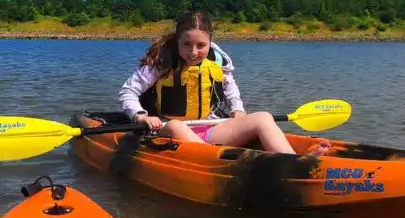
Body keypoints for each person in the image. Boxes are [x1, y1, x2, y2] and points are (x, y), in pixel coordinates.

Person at [117, 11, 330, 156]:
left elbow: (230, 88)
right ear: (177, 41)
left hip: (209, 128)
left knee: (263, 117)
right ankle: (215, 162)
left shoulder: (217, 60)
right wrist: (141, 115)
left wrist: (238, 110)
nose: (193, 52)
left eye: (201, 45)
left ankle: (293, 161)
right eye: (187, 44)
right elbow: (128, 92)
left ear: (209, 42)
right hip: (165, 129)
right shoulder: (162, 61)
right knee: (176, 125)